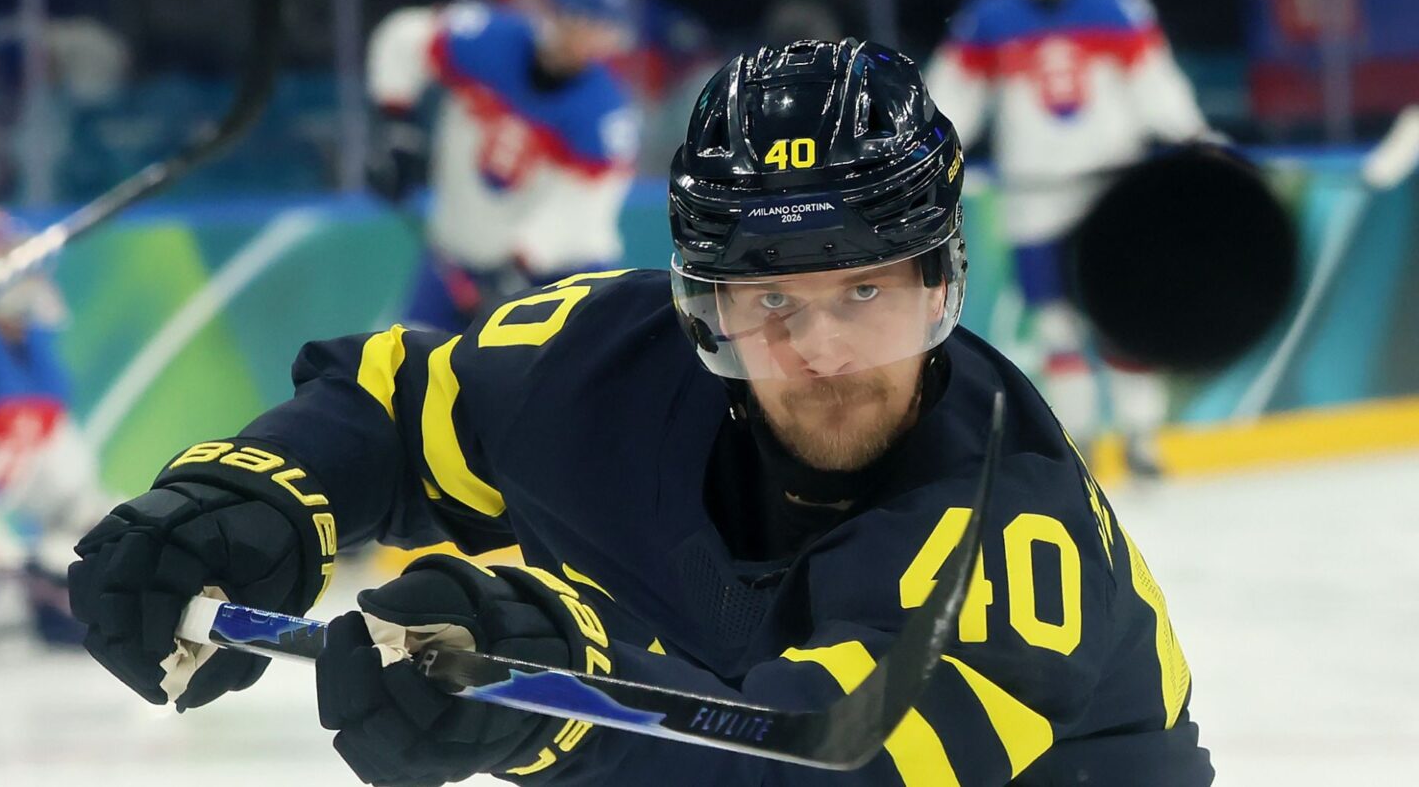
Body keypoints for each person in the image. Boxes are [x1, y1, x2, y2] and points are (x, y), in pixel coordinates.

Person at [68, 40, 1213, 785]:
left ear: (939, 282)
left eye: (864, 289)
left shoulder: (1007, 532)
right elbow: (395, 407)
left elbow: (810, 764)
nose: (817, 351)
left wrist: (567, 681)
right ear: (705, 300)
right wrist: (246, 498)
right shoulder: (603, 363)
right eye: (771, 296)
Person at [924, 0, 1214, 474]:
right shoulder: (988, 17)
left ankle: (1141, 437)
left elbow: (1155, 82)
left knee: (1123, 315)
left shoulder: (1116, 4)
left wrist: (1193, 135)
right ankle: (1079, 441)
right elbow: (953, 99)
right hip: (1035, 196)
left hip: (1111, 189)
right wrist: (927, 153)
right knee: (1057, 326)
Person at [367, 0, 640, 333]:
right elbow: (405, 37)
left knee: (569, 379)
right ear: (548, 12)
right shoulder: (487, 38)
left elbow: (584, 212)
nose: (579, 35)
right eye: (572, 18)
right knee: (407, 367)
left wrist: (519, 266)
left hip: (561, 276)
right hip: (456, 262)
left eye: (595, 25)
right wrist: (397, 125)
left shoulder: (605, 113)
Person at [0, 209, 112, 646]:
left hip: (13, 489)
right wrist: (7, 554)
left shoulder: (37, 348)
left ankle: (48, 601)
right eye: (4, 256)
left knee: (96, 520)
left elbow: (61, 466)